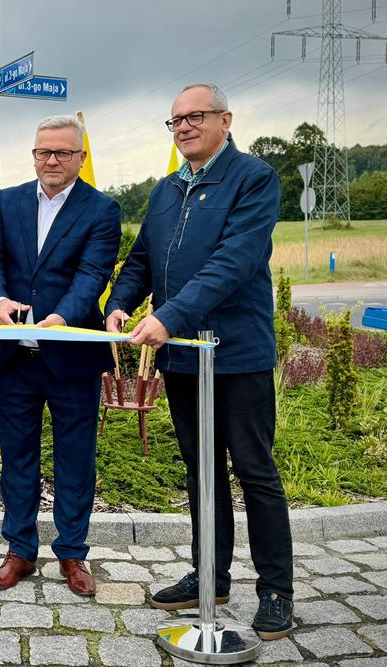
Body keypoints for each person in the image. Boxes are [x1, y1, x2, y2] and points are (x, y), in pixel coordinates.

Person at [105, 83, 293, 640]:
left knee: (254, 471)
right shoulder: (166, 190)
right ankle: (209, 575)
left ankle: (276, 590)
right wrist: (118, 302)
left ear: (225, 120)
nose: (184, 127)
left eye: (195, 116)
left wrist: (170, 316)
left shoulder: (253, 178)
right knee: (200, 470)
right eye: (176, 120)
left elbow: (234, 261)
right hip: (184, 359)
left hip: (236, 355)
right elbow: (142, 258)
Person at [0, 115, 121, 596]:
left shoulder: (101, 209)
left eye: (62, 152)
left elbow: (93, 274)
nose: (52, 160)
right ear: (34, 155)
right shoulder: (7, 202)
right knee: (17, 457)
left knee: (75, 461)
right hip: (15, 358)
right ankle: (19, 549)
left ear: (81, 156)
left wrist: (64, 317)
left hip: (71, 359)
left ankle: (73, 553)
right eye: (44, 151)